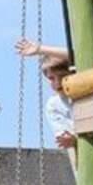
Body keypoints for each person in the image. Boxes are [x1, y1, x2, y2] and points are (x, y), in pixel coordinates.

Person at [16, 39, 77, 167]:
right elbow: (65, 136)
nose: (57, 82)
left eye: (62, 76)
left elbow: (78, 55)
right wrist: (70, 139)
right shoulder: (54, 105)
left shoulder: (87, 90)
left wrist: (41, 49)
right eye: (51, 78)